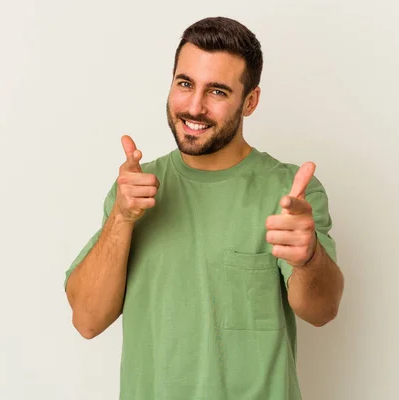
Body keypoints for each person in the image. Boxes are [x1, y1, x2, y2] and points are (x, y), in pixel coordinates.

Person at [64, 16, 344, 400]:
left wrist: (307, 256)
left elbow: (322, 310)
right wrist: (121, 218)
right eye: (185, 84)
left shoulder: (291, 193)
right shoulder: (135, 189)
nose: (194, 107)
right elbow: (87, 321)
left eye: (217, 91)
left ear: (250, 101)